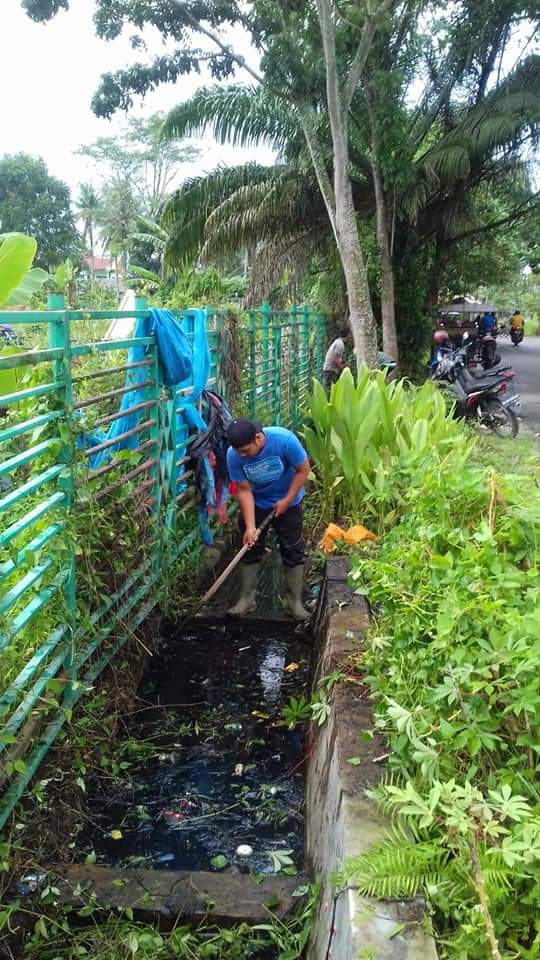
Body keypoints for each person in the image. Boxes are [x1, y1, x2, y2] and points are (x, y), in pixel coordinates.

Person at [226, 418, 311, 621]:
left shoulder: (284, 440)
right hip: (257, 502)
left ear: (258, 438)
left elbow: (303, 469)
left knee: (292, 548)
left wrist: (287, 500)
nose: (241, 455)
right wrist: (250, 527)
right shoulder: (233, 455)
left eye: (245, 451)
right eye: (238, 451)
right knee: (249, 547)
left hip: (288, 500)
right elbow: (244, 490)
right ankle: (247, 599)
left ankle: (294, 602)